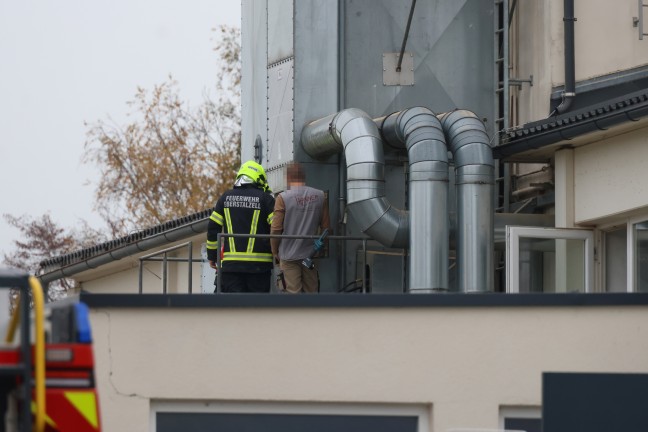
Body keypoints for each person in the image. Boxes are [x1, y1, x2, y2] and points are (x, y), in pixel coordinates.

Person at [206, 160, 275, 293]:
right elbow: (278, 228)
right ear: (258, 178)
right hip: (259, 268)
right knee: (257, 309)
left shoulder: (225, 198)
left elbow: (213, 227)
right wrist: (278, 255)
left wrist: (212, 256)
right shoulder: (266, 199)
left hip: (231, 268)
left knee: (234, 309)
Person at [271, 162, 330, 293]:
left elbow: (275, 229)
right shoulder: (320, 196)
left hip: (288, 256)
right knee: (311, 294)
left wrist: (275, 251)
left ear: (288, 178)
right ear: (303, 177)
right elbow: (326, 228)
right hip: (310, 254)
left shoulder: (283, 197)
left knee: (292, 296)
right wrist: (322, 245)